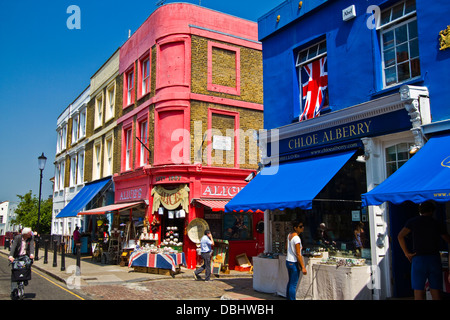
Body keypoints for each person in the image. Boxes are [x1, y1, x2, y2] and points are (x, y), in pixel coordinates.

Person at [398, 200, 450, 300]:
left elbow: (400, 236)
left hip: (418, 259)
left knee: (418, 290)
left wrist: (407, 253)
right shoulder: (436, 223)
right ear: (432, 211)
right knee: (435, 290)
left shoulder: (412, 221)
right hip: (433, 258)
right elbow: (447, 239)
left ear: (420, 210)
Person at [9, 227, 35, 299]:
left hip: (25, 256)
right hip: (17, 256)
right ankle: (13, 290)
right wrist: (11, 256)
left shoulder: (31, 238)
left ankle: (25, 279)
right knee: (15, 272)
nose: (31, 234)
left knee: (28, 265)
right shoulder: (18, 238)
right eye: (30, 233)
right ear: (26, 234)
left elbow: (32, 246)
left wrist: (32, 254)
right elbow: (13, 247)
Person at [286, 220, 307, 300]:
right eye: (300, 227)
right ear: (295, 228)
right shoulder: (297, 238)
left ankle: (288, 298)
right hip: (294, 262)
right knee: (293, 284)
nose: (302, 228)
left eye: (302, 226)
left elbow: (286, 247)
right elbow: (298, 254)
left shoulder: (289, 235)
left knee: (290, 282)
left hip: (288, 261)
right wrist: (303, 266)